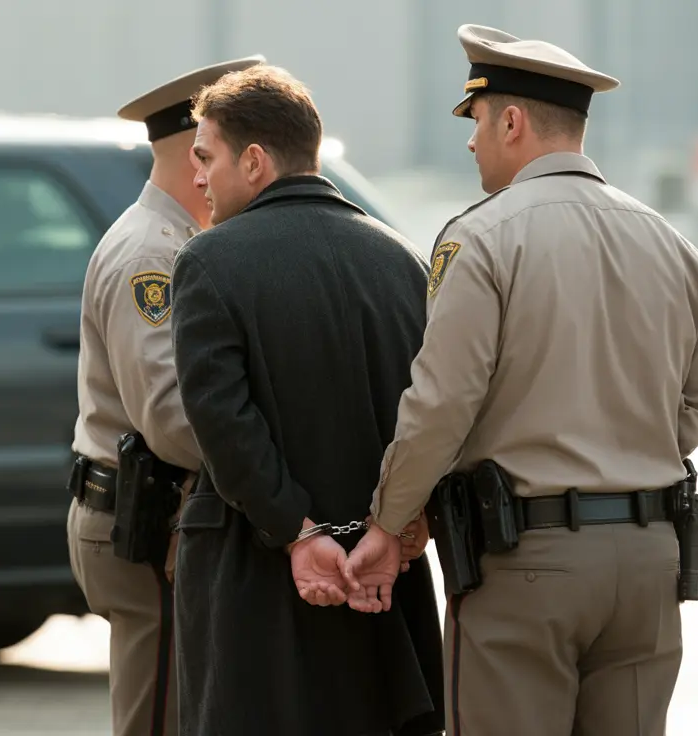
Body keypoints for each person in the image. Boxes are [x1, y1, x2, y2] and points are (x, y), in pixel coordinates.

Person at [342, 24, 698, 736]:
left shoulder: (482, 237)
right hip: (648, 564)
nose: (470, 141)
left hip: (527, 562)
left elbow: (441, 406)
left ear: (512, 121)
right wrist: (620, 449)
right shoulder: (675, 245)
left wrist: (390, 523)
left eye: (478, 121)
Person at [169, 63, 445, 736]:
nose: (197, 177)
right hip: (384, 582)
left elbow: (223, 423)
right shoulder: (402, 261)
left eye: (206, 158)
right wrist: (399, 522)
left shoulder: (209, 262)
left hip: (254, 583)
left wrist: (298, 530)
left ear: (255, 161)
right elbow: (436, 410)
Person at [66, 55, 266, 736]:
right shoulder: (152, 255)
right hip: (149, 520)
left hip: (158, 514)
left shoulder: (181, 240)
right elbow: (173, 422)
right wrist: (268, 458)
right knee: (160, 720)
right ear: (198, 150)